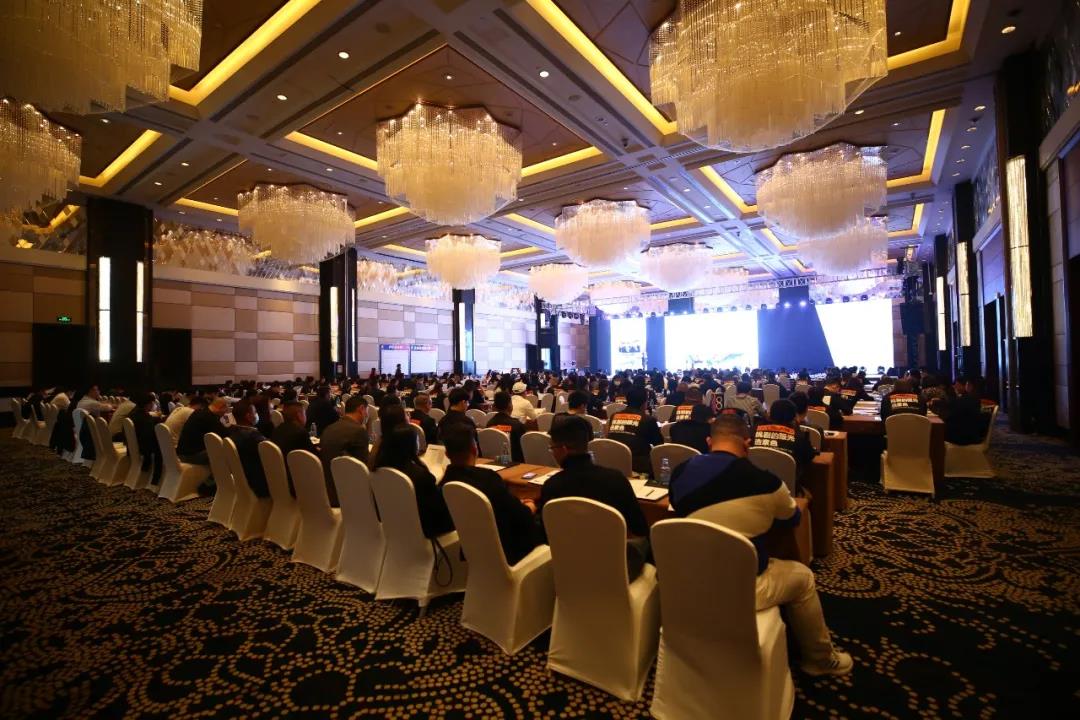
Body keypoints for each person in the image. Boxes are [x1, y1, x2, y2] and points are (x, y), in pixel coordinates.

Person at [669, 415, 853, 676]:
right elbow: (793, 518)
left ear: (709, 442)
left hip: (690, 578)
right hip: (743, 588)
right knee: (803, 578)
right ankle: (820, 659)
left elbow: (678, 508)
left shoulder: (680, 472)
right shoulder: (767, 483)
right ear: (748, 444)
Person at [538, 416, 649, 581]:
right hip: (616, 569)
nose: (552, 452)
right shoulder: (615, 479)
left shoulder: (552, 486)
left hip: (570, 568)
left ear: (563, 449)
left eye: (552, 448)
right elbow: (640, 528)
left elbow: (545, 534)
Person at [439, 423, 541, 565]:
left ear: (447, 454)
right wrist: (529, 506)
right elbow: (520, 515)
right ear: (474, 449)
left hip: (471, 550)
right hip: (508, 552)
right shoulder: (488, 479)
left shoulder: (445, 482)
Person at [378, 425, 454, 538]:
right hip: (426, 530)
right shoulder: (420, 476)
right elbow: (437, 510)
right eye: (417, 440)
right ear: (411, 445)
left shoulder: (380, 469)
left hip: (397, 525)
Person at [318, 395, 371, 506]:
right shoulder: (358, 431)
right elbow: (363, 468)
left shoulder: (329, 428)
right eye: (367, 411)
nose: (367, 415)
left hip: (326, 489)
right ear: (361, 409)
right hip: (347, 494)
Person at [753, 398, 817, 488]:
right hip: (788, 489)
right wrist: (797, 427)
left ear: (770, 414)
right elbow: (809, 456)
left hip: (756, 486)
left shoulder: (754, 431)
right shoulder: (798, 437)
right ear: (794, 417)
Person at [607, 386, 663, 475]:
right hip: (638, 465)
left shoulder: (614, 416)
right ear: (644, 403)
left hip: (612, 461)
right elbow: (659, 444)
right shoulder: (648, 420)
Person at [270, 401, 319, 496]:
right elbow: (314, 458)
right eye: (304, 413)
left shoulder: (278, 429)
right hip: (297, 482)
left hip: (279, 478)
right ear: (299, 415)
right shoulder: (300, 432)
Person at [226, 399, 270, 498]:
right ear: (248, 416)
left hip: (240, 478)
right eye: (255, 412)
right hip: (258, 484)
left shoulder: (231, 431)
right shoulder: (254, 439)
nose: (257, 415)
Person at [940, 375, 991, 445]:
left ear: (970, 386)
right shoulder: (975, 400)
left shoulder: (964, 400)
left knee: (937, 431)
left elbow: (950, 416)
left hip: (962, 438)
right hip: (973, 434)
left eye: (966, 384)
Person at [176, 397, 228, 465]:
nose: (225, 413)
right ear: (220, 407)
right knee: (225, 452)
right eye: (225, 410)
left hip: (182, 453)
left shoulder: (200, 412)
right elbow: (225, 436)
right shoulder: (210, 418)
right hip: (190, 456)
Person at [126, 392, 164, 486]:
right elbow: (148, 435)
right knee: (161, 445)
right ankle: (156, 479)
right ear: (148, 404)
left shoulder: (133, 413)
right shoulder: (144, 418)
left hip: (130, 446)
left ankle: (146, 467)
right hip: (143, 448)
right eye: (152, 403)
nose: (153, 405)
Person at [483, 391, 526, 462]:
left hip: (493, 462)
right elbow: (524, 450)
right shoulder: (517, 425)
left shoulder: (490, 424)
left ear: (495, 406)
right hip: (514, 464)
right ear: (510, 405)